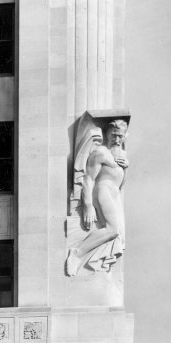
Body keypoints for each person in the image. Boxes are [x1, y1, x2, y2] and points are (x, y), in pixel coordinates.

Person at [65, 118, 129, 276]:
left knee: (117, 233)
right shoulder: (100, 153)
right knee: (112, 229)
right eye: (114, 135)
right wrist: (87, 205)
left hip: (115, 195)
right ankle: (77, 254)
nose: (117, 139)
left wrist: (125, 167)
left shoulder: (120, 156)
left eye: (120, 136)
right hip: (103, 191)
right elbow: (88, 179)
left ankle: (84, 255)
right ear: (107, 134)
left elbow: (120, 184)